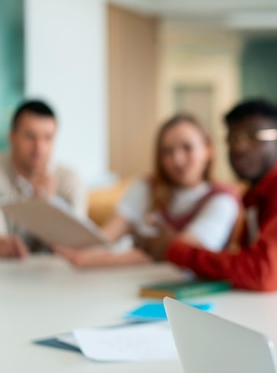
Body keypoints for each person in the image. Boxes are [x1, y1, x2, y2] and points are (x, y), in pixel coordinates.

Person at [140, 99, 277, 291]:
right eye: (233, 138)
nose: (239, 147)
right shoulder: (253, 198)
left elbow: (264, 274)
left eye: (254, 137)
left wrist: (175, 250)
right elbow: (246, 267)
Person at [55, 114, 240, 267]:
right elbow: (108, 236)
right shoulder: (145, 187)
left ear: (208, 149)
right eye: (167, 151)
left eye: (187, 148)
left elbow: (182, 253)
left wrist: (97, 260)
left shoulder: (223, 200)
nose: (177, 159)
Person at [0, 99, 86, 258]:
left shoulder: (69, 181)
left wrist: (50, 206)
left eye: (48, 138)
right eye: (30, 136)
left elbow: (76, 247)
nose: (39, 148)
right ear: (12, 136)